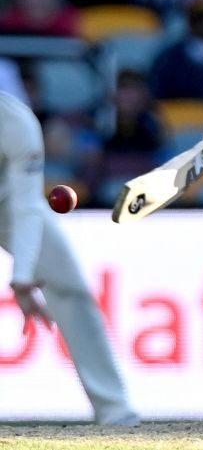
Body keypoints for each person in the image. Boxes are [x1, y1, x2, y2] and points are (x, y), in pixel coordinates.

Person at [0, 92, 138, 425]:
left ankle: (115, 413)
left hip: (5, 203)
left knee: (70, 287)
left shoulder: (15, 120)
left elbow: (27, 206)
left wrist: (22, 277)